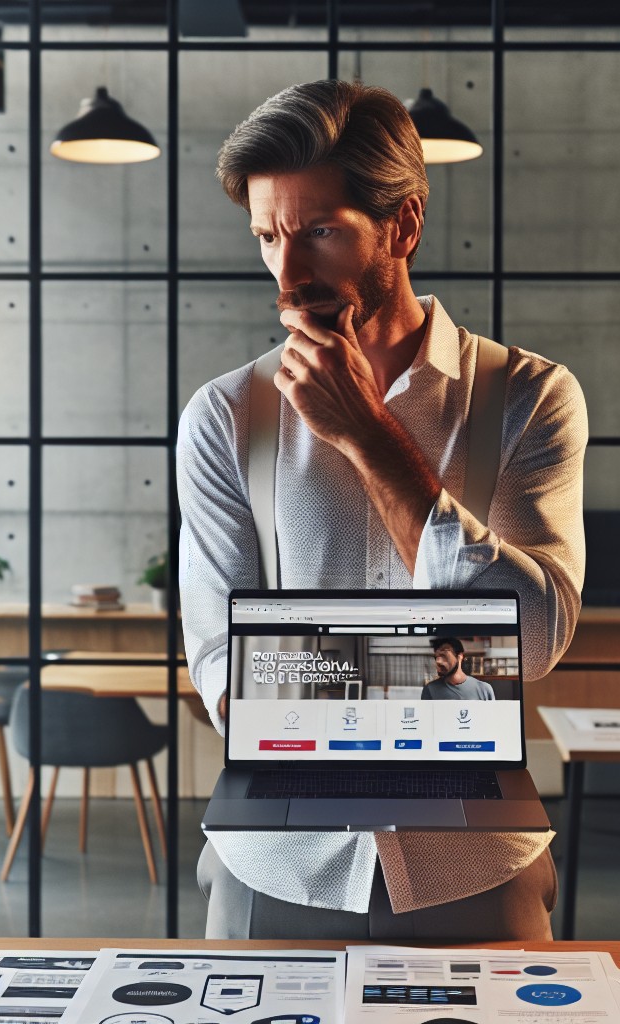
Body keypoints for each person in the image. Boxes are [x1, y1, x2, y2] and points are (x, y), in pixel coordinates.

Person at [177, 79, 587, 940]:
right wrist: (451, 667)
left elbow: (537, 639)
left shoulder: (530, 398)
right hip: (276, 862)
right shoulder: (225, 416)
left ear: (403, 225)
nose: (287, 275)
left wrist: (367, 436)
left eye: (320, 233)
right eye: (267, 237)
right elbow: (222, 667)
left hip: (476, 862)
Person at [422, 637, 495, 701]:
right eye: (436, 657)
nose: (438, 661)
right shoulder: (430, 690)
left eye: (444, 655)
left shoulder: (484, 689)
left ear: (459, 657)